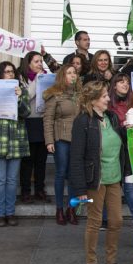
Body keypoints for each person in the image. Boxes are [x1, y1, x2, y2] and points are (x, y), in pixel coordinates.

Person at [70, 80, 132, 264]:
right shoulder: (82, 121)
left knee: (116, 220)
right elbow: (76, 157)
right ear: (93, 99)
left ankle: (111, 261)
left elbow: (120, 140)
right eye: (104, 96)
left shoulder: (112, 118)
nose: (108, 99)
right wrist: (80, 189)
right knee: (94, 221)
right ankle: (91, 262)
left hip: (114, 178)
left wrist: (128, 130)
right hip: (94, 180)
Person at [0, 61, 30, 227]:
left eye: (12, 72)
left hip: (16, 140)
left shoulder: (21, 90)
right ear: (0, 74)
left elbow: (26, 112)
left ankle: (10, 213)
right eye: (6, 72)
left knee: (12, 180)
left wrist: (18, 98)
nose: (10, 74)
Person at [43, 63, 81, 226]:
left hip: (77, 139)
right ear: (62, 76)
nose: (73, 75)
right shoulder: (55, 95)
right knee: (60, 173)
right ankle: (59, 209)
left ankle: (71, 209)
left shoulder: (80, 94)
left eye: (75, 73)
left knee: (73, 175)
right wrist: (49, 141)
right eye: (69, 73)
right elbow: (48, 119)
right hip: (61, 138)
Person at [18, 51, 49, 203]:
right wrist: (38, 80)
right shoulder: (21, 79)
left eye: (41, 61)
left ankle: (40, 189)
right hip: (28, 122)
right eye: (36, 61)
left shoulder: (46, 77)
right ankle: (25, 191)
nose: (40, 64)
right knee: (27, 161)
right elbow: (26, 96)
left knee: (41, 160)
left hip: (42, 122)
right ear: (28, 63)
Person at [108, 73, 133, 220]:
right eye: (121, 82)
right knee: (111, 186)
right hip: (113, 151)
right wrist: (123, 127)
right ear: (114, 85)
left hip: (130, 150)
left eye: (127, 82)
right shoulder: (108, 105)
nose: (125, 85)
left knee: (130, 185)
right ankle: (106, 220)